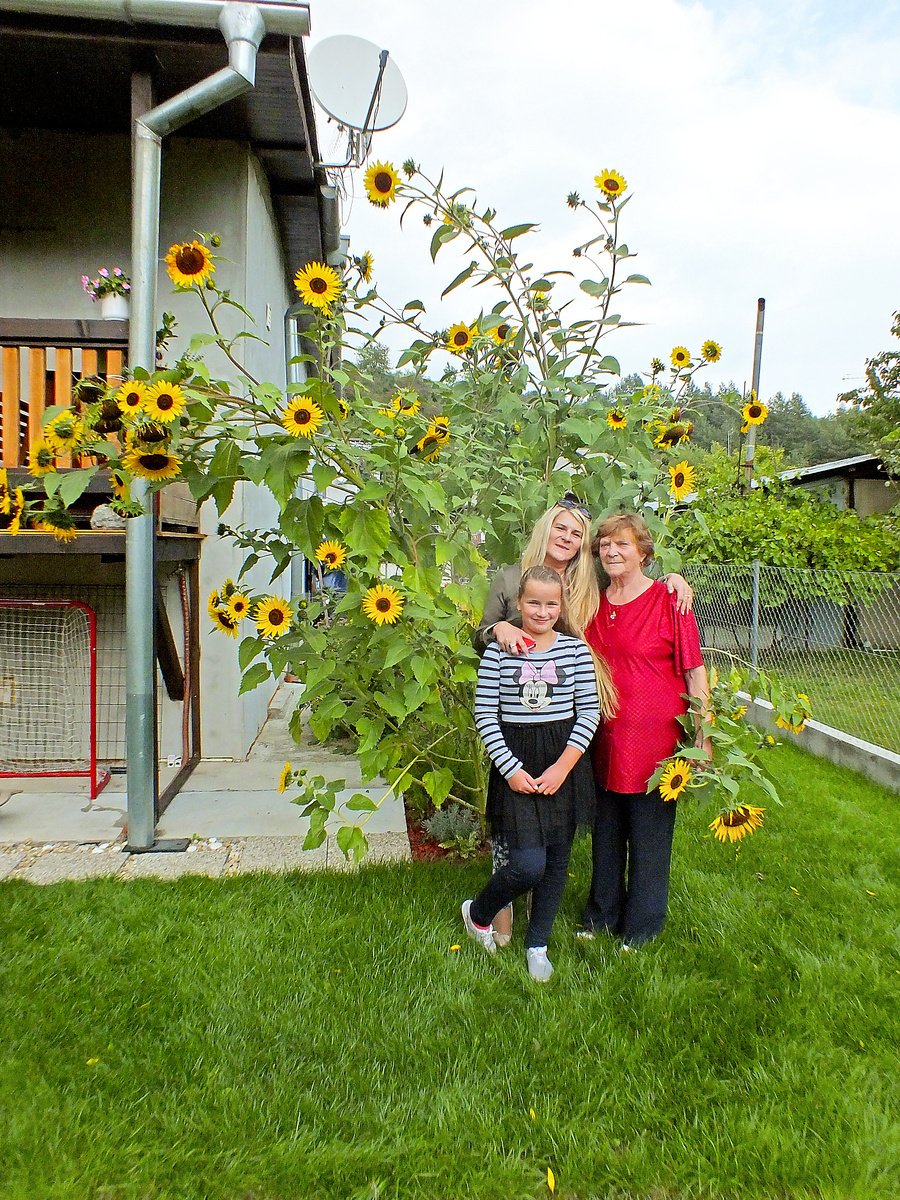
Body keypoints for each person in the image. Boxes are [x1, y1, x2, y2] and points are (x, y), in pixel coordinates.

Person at [474, 496, 693, 946]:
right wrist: (498, 629)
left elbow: (633, 579)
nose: (567, 538)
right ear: (544, 528)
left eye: (577, 533)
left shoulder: (587, 581)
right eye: (560, 528)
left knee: (568, 829)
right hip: (522, 724)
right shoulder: (510, 577)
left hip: (573, 722)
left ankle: (561, 916)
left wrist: (672, 578)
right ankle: (500, 915)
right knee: (527, 831)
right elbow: (480, 636)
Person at [462, 565, 614, 982]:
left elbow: (589, 715)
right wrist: (509, 768)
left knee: (557, 859)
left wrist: (564, 767)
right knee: (528, 863)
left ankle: (538, 944)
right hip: (516, 761)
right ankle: (478, 912)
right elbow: (485, 715)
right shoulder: (498, 652)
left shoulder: (575, 651)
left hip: (562, 764)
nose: (542, 611)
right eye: (533, 602)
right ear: (519, 603)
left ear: (561, 605)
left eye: (551, 603)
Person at [580, 511, 711, 947]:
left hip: (655, 743)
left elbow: (694, 672)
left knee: (650, 838)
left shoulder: (669, 600)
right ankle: (601, 916)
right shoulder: (594, 604)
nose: (612, 552)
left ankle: (641, 929)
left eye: (623, 544)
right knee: (607, 835)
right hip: (604, 738)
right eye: (605, 545)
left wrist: (702, 736)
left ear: (643, 553)